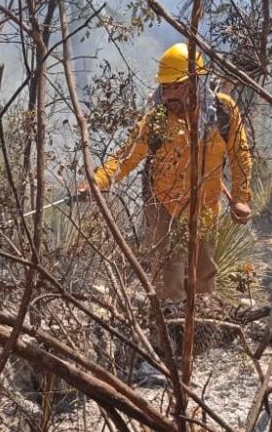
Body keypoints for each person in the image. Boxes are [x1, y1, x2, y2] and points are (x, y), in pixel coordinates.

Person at [82, 43, 252, 302]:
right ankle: (166, 335)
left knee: (203, 280)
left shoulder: (223, 112)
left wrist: (241, 197)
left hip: (205, 209)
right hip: (164, 207)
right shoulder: (156, 120)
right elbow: (125, 158)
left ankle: (199, 335)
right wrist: (98, 181)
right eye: (165, 87)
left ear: (196, 81)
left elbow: (240, 155)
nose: (170, 94)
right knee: (169, 281)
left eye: (177, 86)